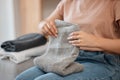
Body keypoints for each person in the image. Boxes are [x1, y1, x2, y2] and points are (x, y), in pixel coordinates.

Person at [16, 0, 120, 80]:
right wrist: (44, 26)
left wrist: (96, 42)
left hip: (103, 62)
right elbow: (45, 22)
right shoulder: (68, 2)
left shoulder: (115, 3)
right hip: (65, 58)